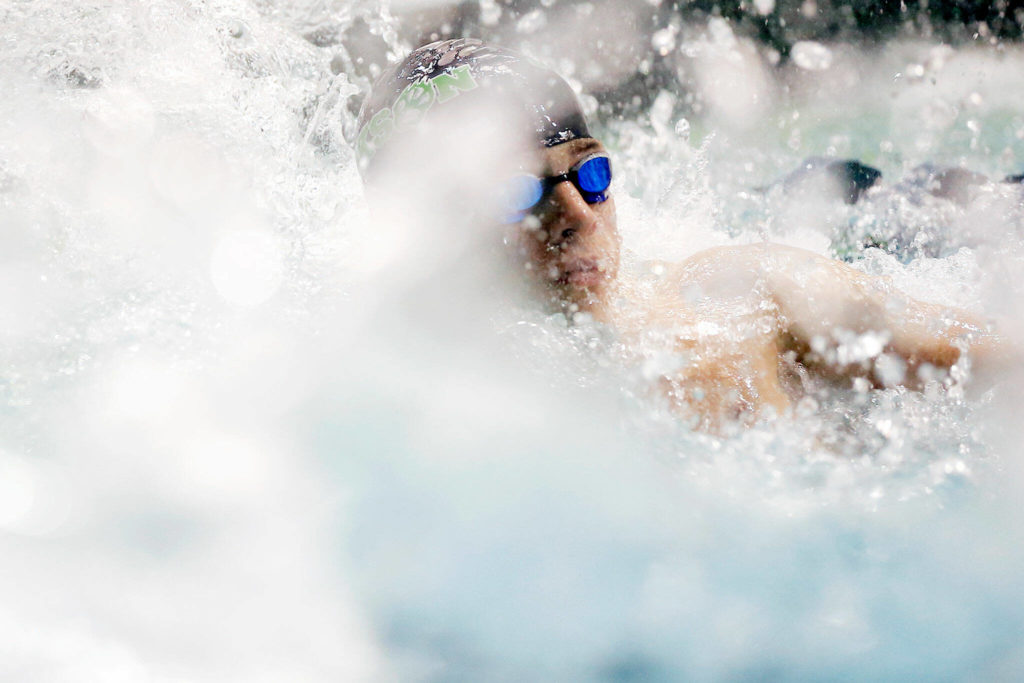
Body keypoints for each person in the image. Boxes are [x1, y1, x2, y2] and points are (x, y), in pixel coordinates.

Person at [354, 38, 1011, 433]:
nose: (578, 217)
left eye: (591, 174)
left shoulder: (743, 298)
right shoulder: (404, 411)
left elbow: (998, 361)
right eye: (519, 194)